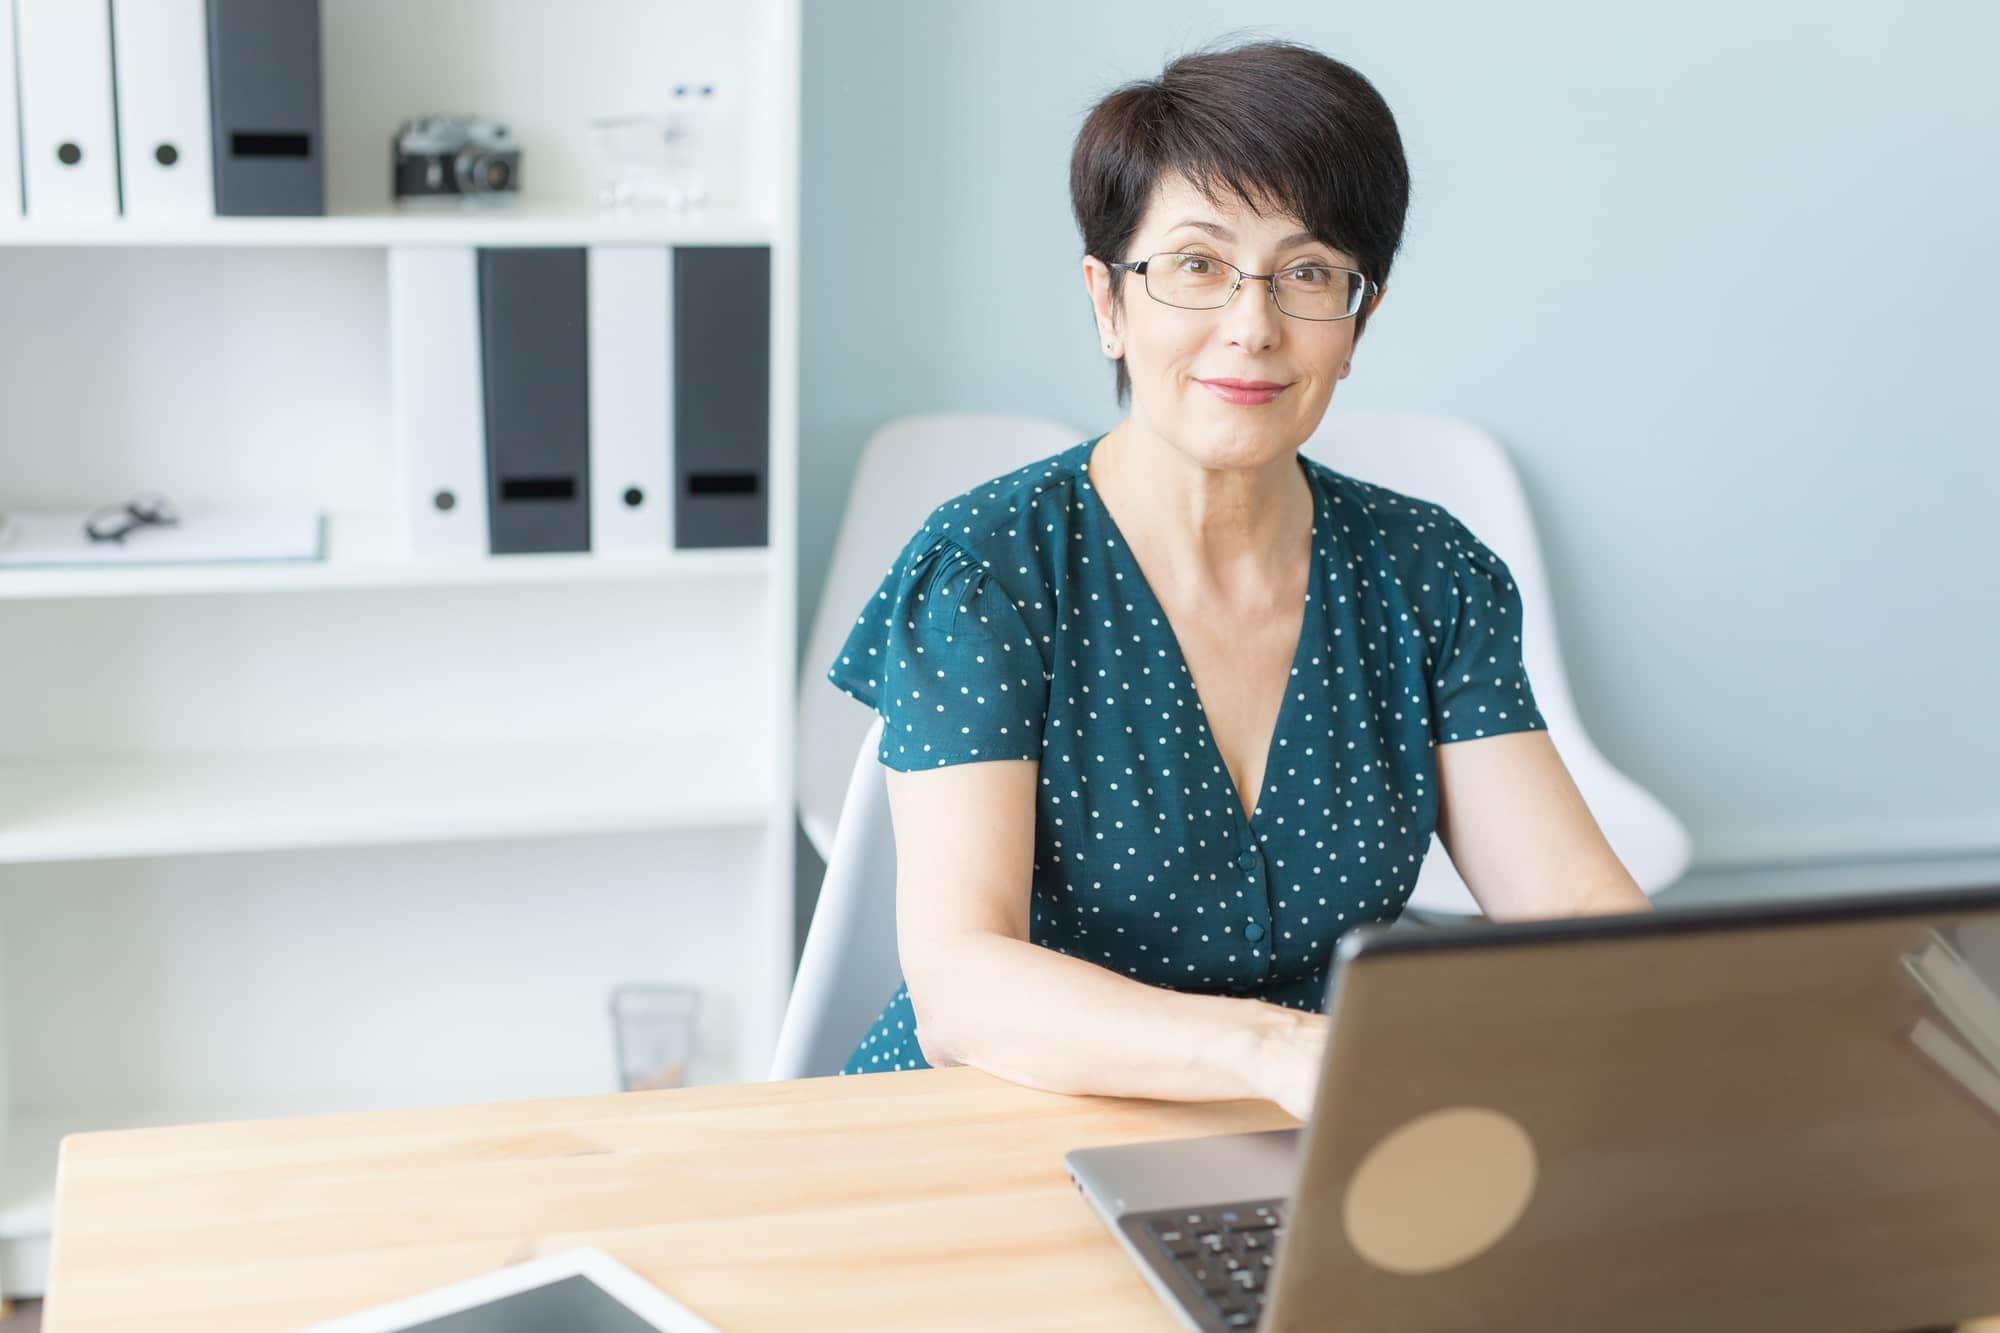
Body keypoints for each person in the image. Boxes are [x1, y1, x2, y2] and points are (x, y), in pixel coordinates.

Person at [823, 38, 1650, 1121]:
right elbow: (961, 983)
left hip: (1301, 1141)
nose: (1252, 325)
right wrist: (1274, 1051)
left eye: (1308, 273)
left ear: (1357, 322)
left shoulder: (1426, 575)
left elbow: (1572, 904)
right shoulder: (988, 569)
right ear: (1109, 302)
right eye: (1197, 265)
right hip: (996, 1126)